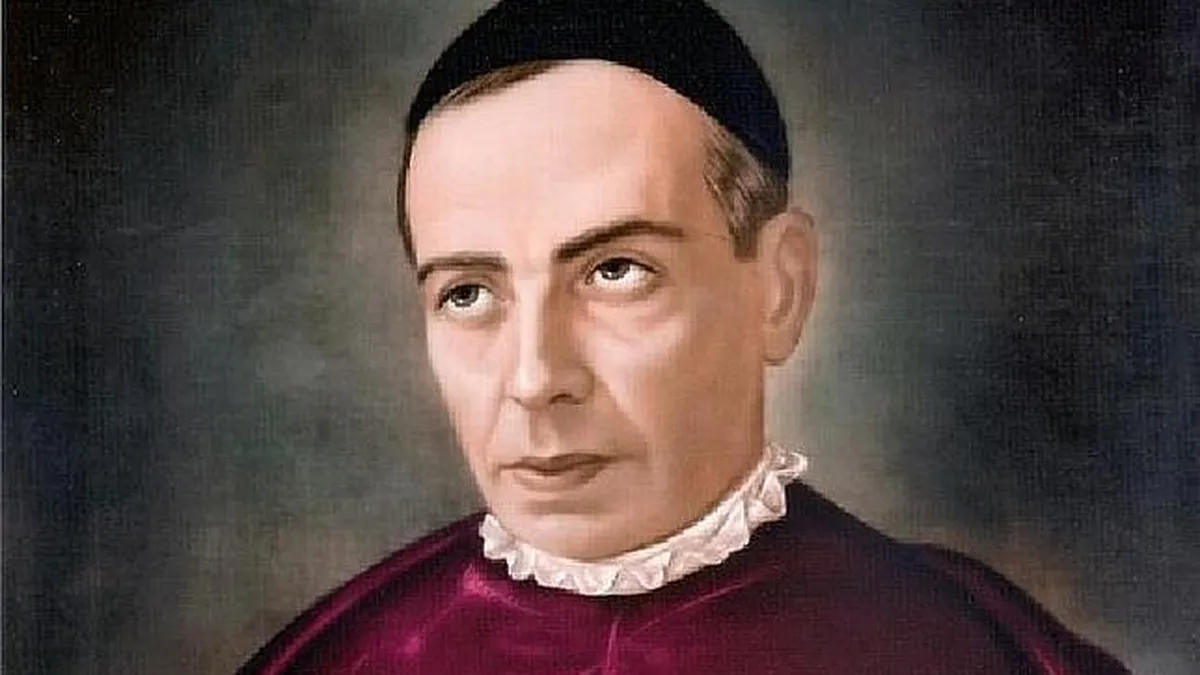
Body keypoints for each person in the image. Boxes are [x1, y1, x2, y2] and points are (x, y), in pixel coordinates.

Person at [238, 1, 1130, 672]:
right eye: (468, 292)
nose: (536, 377)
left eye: (615, 271)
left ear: (779, 289)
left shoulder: (971, 647)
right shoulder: (345, 653)